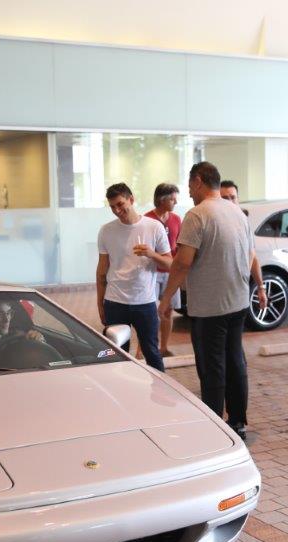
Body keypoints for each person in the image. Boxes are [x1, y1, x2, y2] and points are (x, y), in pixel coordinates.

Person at [160, 162, 266, 440]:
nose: (188, 192)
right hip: (238, 302)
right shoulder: (237, 212)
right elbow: (250, 254)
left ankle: (215, 426)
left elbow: (182, 263)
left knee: (212, 368)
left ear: (198, 181)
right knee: (235, 361)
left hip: (210, 307)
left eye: (189, 185)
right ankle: (238, 422)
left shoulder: (197, 215)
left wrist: (166, 298)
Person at [95, 182, 172, 372]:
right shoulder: (106, 230)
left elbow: (170, 264)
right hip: (115, 301)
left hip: (144, 302)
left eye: (120, 204)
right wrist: (100, 303)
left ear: (131, 199)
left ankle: (160, 389)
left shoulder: (154, 227)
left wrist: (151, 254)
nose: (117, 210)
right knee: (117, 355)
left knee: (151, 352)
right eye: (112, 207)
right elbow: (102, 270)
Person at [144, 183, 182, 357]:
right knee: (149, 312)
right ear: (162, 199)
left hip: (171, 272)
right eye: (173, 199)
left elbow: (180, 246)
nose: (176, 202)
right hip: (152, 272)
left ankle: (164, 348)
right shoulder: (147, 219)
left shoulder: (176, 219)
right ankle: (143, 350)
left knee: (168, 311)